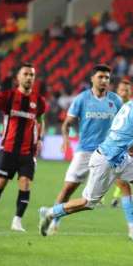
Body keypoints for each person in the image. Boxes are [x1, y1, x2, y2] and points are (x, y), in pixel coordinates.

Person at [39, 81, 133, 245]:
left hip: (120, 157)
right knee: (87, 203)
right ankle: (50, 212)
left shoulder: (131, 104)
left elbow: (120, 128)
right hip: (106, 160)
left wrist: (127, 143)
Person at [46, 65, 124, 236]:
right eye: (101, 77)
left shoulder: (116, 101)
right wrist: (66, 139)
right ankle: (52, 220)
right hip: (85, 151)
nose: (104, 80)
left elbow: (123, 125)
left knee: (92, 201)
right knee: (68, 188)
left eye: (107, 78)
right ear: (92, 79)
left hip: (106, 154)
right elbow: (67, 123)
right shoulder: (81, 99)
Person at [0, 63, 46, 232]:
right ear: (18, 77)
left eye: (32, 74)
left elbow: (41, 119)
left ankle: (17, 221)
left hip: (27, 152)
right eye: (26, 74)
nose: (29, 77)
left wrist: (41, 138)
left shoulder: (39, 101)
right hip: (8, 149)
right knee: (0, 183)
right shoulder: (9, 96)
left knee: (25, 183)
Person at [110, 80, 133, 209]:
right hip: (110, 142)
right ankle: (99, 197)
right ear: (117, 91)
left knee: (123, 171)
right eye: (122, 90)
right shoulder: (111, 105)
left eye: (127, 90)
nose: (124, 93)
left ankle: (116, 197)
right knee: (104, 170)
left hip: (127, 142)